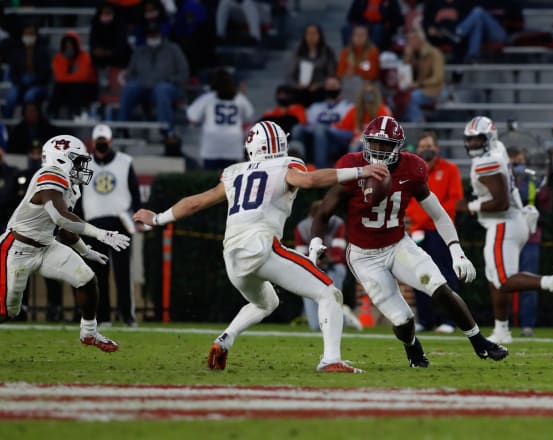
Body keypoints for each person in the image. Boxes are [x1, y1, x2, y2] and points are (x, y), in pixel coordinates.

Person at [133, 120, 389, 372]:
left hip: (232, 255)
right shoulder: (286, 164)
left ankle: (225, 339)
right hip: (261, 245)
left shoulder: (234, 172)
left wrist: (157, 218)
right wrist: (359, 171)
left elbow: (199, 201)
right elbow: (309, 181)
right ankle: (330, 359)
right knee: (329, 293)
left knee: (267, 302)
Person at [311, 115, 509, 367]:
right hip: (364, 256)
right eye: (375, 143)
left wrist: (457, 251)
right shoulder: (353, 168)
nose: (380, 151)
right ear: (365, 142)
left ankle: (480, 341)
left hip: (397, 245)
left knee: (440, 287)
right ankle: (412, 346)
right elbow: (323, 213)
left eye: (386, 145)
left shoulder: (412, 168)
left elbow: (438, 213)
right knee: (403, 319)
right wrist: (316, 241)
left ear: (399, 147)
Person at [0, 134, 130, 352]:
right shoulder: (49, 175)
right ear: (61, 159)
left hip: (46, 245)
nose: (82, 167)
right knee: (7, 311)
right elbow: (60, 217)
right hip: (16, 249)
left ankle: (89, 333)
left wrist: (85, 251)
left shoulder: (70, 186)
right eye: (78, 161)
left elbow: (64, 230)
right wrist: (100, 234)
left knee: (87, 279)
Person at [457, 116, 553, 344]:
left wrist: (469, 206)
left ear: (488, 138)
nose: (472, 144)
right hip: (512, 221)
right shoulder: (498, 148)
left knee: (503, 279)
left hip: (504, 222)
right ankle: (502, 330)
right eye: (469, 140)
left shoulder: (487, 161)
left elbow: (500, 202)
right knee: (494, 278)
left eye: (477, 139)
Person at [78, 124, 142, 327]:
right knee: (98, 275)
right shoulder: (84, 165)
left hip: (119, 222)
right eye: (99, 141)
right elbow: (78, 197)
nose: (102, 144)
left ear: (111, 140)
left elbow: (135, 193)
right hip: (94, 225)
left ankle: (127, 316)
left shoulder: (125, 161)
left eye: (104, 141)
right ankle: (103, 316)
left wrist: (135, 217)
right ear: (93, 142)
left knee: (123, 273)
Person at [404, 130, 462, 333]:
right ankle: (426, 320)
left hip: (440, 231)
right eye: (422, 147)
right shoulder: (413, 171)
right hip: (418, 232)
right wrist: (417, 222)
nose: (426, 150)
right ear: (417, 150)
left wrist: (426, 217)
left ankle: (450, 321)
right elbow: (409, 202)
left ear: (436, 148)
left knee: (445, 275)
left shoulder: (449, 169)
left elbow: (453, 201)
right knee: (420, 276)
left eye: (429, 146)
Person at [294, 200, 362, 332]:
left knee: (331, 294)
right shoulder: (302, 227)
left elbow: (338, 252)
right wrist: (313, 261)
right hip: (310, 268)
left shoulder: (337, 223)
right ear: (313, 216)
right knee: (315, 326)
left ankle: (337, 309)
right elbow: (300, 255)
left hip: (333, 266)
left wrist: (323, 260)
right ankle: (344, 315)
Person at [507, 146, 553, 337]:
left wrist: (551, 184)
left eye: (519, 158)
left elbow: (546, 203)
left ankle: (527, 324)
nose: (517, 163)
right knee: (504, 280)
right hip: (508, 235)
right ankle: (503, 322)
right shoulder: (501, 178)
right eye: (513, 159)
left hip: (530, 235)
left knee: (529, 279)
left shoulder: (534, 179)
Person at [118, 22, 189, 138]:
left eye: (155, 35)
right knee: (129, 89)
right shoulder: (139, 51)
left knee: (161, 90)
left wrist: (169, 80)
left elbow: (184, 73)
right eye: (150, 35)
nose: (152, 38)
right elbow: (130, 74)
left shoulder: (173, 49)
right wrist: (140, 81)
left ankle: (166, 130)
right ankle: (122, 128)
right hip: (143, 87)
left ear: (161, 35)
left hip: (169, 87)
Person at [186, 69, 254, 171]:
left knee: (210, 180)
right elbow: (250, 115)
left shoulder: (208, 98)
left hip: (212, 143)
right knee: (229, 180)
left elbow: (192, 116)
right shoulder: (239, 98)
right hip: (232, 143)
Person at [290, 76, 353, 168]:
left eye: (334, 85)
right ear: (324, 88)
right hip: (315, 139)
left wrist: (331, 129)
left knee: (320, 129)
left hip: (337, 142)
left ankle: (320, 168)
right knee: (297, 128)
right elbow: (308, 126)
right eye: (329, 85)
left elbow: (349, 132)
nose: (331, 88)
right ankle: (296, 165)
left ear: (340, 87)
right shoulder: (315, 107)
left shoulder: (348, 107)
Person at [2, 23, 51, 119]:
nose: (28, 36)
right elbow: (13, 73)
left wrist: (31, 81)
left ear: (36, 35)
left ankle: (26, 122)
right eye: (26, 33)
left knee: (29, 95)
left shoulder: (43, 52)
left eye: (31, 33)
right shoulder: (17, 52)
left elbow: (45, 74)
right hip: (20, 83)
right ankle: (7, 123)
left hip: (38, 85)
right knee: (11, 95)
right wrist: (21, 83)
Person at [398, 26, 445, 123]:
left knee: (411, 98)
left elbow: (438, 78)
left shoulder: (434, 54)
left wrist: (419, 84)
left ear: (419, 40)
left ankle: (420, 125)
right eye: (408, 40)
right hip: (417, 89)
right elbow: (404, 75)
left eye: (411, 39)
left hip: (434, 90)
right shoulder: (412, 54)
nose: (409, 43)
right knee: (398, 98)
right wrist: (407, 57)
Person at [48, 31, 99, 119]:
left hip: (86, 87)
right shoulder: (59, 58)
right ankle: (52, 113)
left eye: (71, 45)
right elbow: (59, 76)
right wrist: (66, 60)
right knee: (58, 87)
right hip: (67, 87)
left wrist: (67, 78)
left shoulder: (85, 57)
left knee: (76, 86)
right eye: (66, 45)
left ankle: (76, 114)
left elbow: (83, 76)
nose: (69, 47)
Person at [286, 24, 337, 107]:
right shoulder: (298, 52)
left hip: (320, 87)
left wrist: (319, 84)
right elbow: (290, 74)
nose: (311, 37)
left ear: (319, 35)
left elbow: (331, 74)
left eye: (314, 34)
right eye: (309, 34)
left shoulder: (328, 52)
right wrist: (297, 85)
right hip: (300, 87)